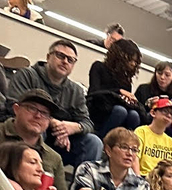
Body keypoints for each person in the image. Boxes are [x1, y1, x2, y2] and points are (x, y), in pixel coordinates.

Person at [8, 40, 104, 169]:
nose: (65, 61)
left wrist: (71, 128)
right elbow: (12, 105)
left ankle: (82, 187)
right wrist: (52, 123)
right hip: (24, 135)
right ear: (48, 57)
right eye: (60, 56)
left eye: (70, 60)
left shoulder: (76, 90)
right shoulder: (27, 75)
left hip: (60, 144)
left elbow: (87, 123)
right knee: (38, 128)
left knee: (94, 142)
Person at [1, 89, 72, 190]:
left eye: (44, 113)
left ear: (49, 121)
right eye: (32, 108)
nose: (38, 116)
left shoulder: (54, 158)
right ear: (16, 109)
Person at [87, 39, 141, 138]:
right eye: (130, 59)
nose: (133, 64)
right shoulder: (98, 67)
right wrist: (119, 92)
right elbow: (94, 92)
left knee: (134, 115)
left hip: (116, 114)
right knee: (120, 111)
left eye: (135, 61)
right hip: (98, 109)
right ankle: (102, 140)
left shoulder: (126, 81)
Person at [134, 97, 172, 177]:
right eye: (165, 111)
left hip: (163, 181)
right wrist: (138, 180)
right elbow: (134, 158)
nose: (169, 115)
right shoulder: (141, 132)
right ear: (153, 113)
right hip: (144, 177)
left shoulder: (170, 141)